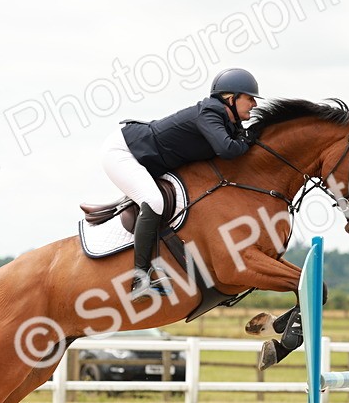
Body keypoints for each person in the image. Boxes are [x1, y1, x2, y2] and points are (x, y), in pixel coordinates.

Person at [103, 67, 261, 297]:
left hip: (145, 156)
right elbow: (228, 150)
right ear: (231, 98)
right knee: (154, 201)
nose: (254, 104)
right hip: (123, 151)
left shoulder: (228, 122)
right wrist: (249, 140)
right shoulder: (210, 113)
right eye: (250, 98)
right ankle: (139, 279)